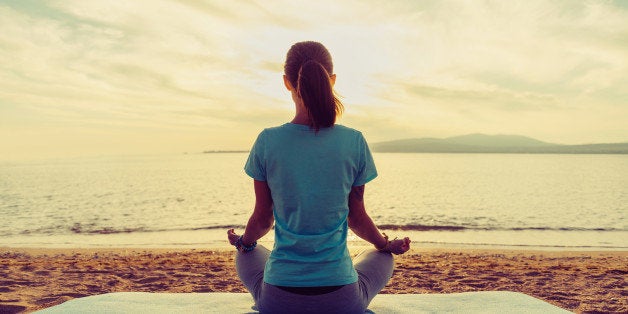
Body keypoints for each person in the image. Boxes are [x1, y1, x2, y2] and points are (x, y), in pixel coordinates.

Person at [227, 41, 411, 314]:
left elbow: (263, 219)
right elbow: (356, 218)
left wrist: (244, 242)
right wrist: (385, 244)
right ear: (332, 80)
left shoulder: (268, 141)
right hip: (341, 300)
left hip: (279, 299)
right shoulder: (354, 141)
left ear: (287, 83)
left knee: (247, 253)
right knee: (382, 257)